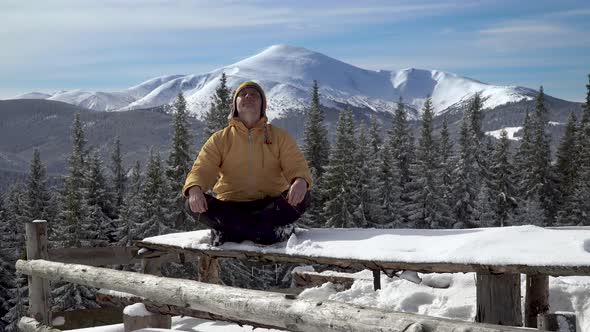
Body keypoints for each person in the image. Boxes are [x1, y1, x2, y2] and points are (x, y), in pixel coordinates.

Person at [183, 81, 313, 245]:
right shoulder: (220, 139)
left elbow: (296, 164)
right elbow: (202, 168)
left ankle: (232, 232)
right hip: (230, 207)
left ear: (263, 105)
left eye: (254, 94)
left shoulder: (279, 137)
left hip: (271, 206)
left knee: (304, 196)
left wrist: (300, 180)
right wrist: (194, 188)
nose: (248, 97)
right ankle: (267, 232)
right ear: (235, 105)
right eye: (242, 94)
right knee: (190, 203)